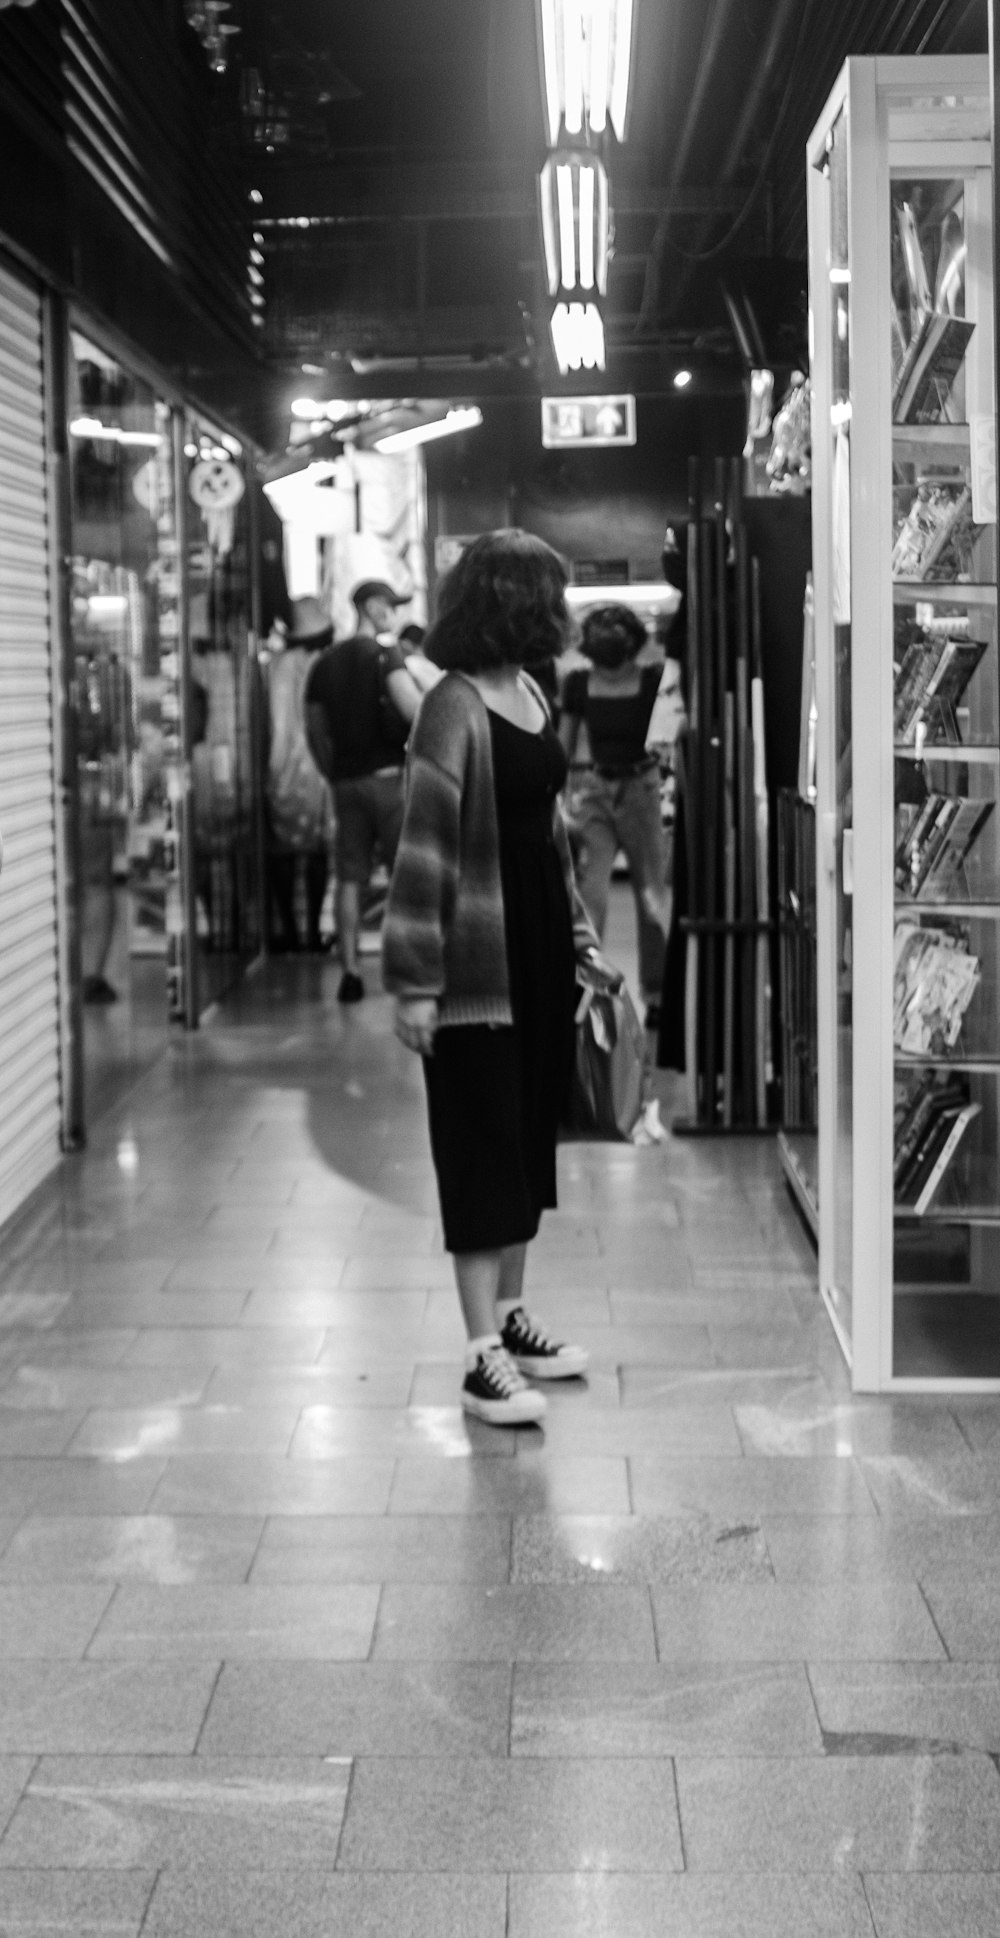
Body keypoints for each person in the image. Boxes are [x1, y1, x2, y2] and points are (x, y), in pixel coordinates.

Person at [382, 530, 620, 1428]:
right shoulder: (449, 706)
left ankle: (513, 1320)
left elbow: (550, 835)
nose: (560, 613)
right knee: (481, 1144)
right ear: (520, 602)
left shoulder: (526, 691)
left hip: (539, 952)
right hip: (474, 963)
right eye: (550, 596)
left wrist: (581, 935)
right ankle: (481, 1354)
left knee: (525, 1138)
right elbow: (424, 849)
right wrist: (411, 980)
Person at [305, 578, 422, 1002]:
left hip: (346, 783)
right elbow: (412, 710)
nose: (395, 614)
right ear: (372, 608)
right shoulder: (386, 654)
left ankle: (351, 973)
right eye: (391, 606)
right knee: (401, 878)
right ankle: (405, 970)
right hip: (390, 780)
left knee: (349, 878)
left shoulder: (326, 662)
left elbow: (314, 727)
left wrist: (332, 771)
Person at [559, 603, 669, 1028]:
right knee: (590, 894)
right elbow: (563, 747)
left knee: (652, 895)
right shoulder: (578, 683)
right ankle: (587, 980)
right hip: (597, 791)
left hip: (643, 789)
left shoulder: (652, 679)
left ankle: (656, 994)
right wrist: (559, 799)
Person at [262, 597, 334, 954]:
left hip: (286, 767)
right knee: (315, 851)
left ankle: (290, 930)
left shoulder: (278, 665)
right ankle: (307, 932)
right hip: (310, 765)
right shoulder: (313, 664)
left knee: (285, 851)